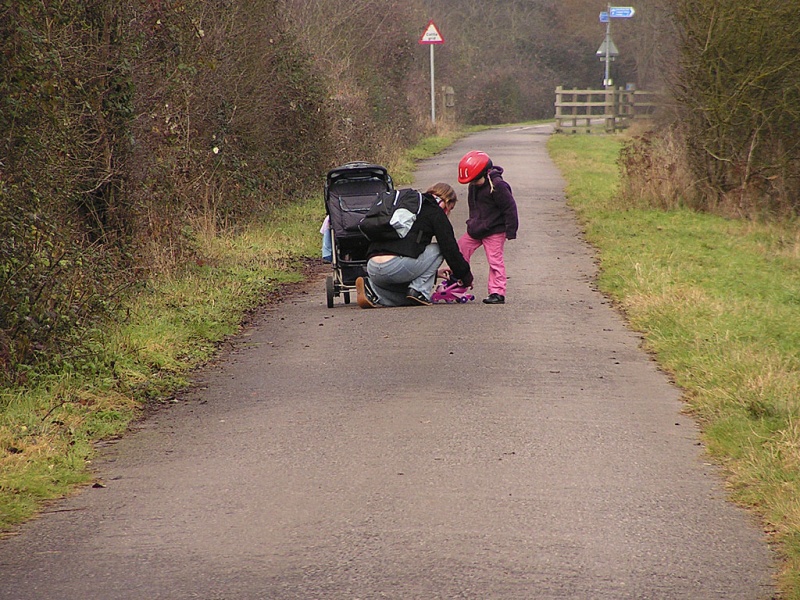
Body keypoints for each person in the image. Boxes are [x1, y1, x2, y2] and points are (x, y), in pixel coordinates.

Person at [355, 182, 473, 308]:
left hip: (373, 268)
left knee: (405, 298)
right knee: (439, 248)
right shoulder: (434, 209)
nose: (449, 213)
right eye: (451, 208)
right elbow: (450, 249)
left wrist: (433, 273)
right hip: (395, 267)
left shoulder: (408, 206)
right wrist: (466, 277)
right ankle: (419, 290)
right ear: (447, 202)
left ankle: (373, 291)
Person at [456, 150, 518, 304]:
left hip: (495, 230)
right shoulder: (474, 186)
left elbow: (510, 208)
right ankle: (460, 282)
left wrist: (511, 229)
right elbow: (474, 207)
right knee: (460, 249)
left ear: (485, 173)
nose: (473, 184)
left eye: (476, 180)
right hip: (476, 229)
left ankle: (497, 292)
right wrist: (472, 222)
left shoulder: (498, 186)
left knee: (494, 260)